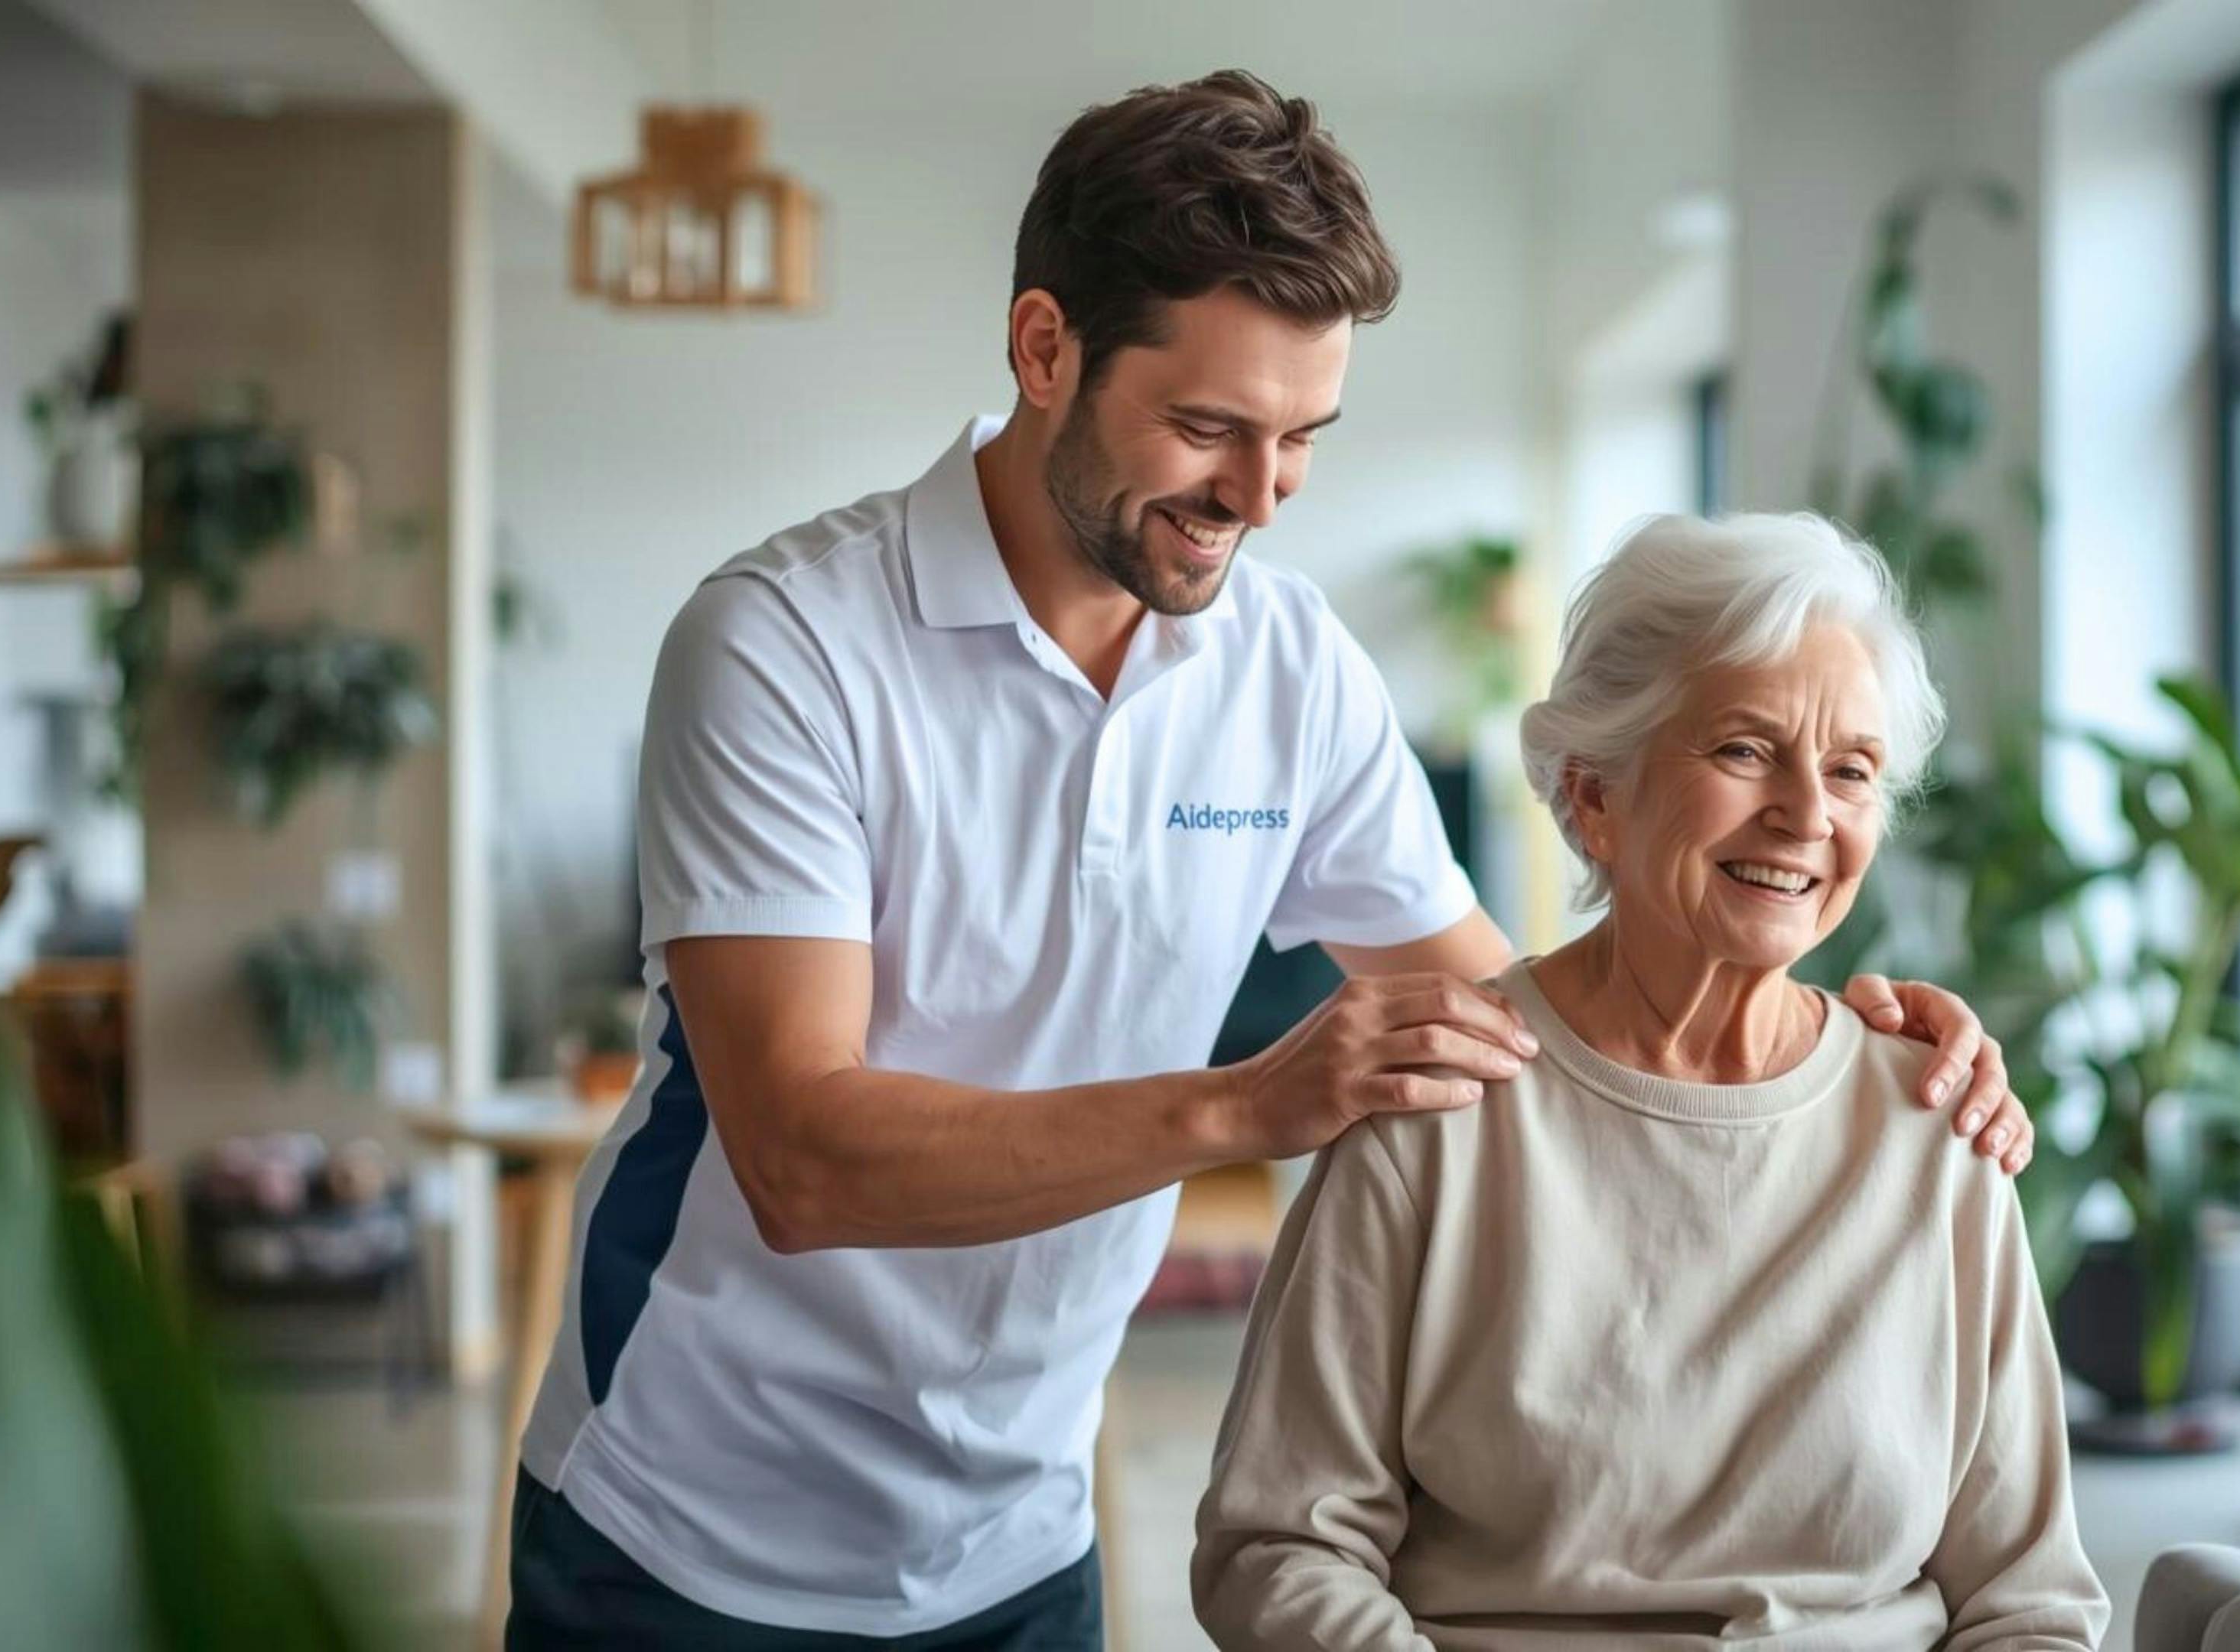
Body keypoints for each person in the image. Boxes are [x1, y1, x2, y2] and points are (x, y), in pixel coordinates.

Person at [506, 73, 2034, 1649]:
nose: (1257, 498)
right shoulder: (784, 648)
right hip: (681, 1537)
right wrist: (1250, 1105)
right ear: (1045, 349)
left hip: (1019, 1544)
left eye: (1303, 437)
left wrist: (1820, 1049)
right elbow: (804, 1160)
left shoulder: (1285, 669)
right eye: (1208, 429)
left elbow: (1517, 1024)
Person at [1192, 513, 2106, 1651]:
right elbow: (1280, 1548)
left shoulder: (1937, 1122)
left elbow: (2032, 1601)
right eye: (1743, 749)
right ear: (1593, 798)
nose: (1808, 815)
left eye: (1851, 770)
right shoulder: (1439, 1110)